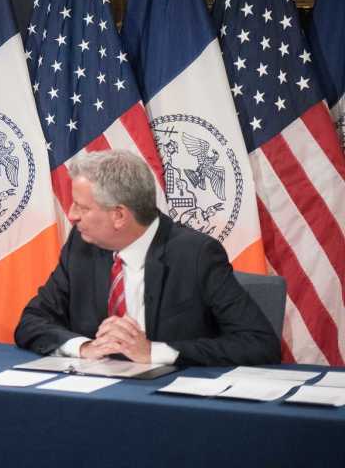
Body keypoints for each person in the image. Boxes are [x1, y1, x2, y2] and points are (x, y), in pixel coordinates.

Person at [14, 150, 279, 366]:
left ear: (119, 215)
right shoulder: (81, 246)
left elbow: (259, 343)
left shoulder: (196, 255)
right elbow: (32, 321)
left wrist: (154, 351)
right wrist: (84, 347)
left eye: (82, 207)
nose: (71, 216)